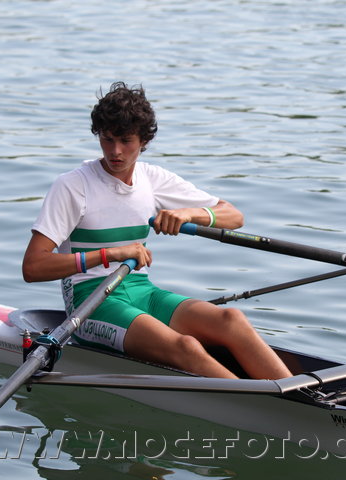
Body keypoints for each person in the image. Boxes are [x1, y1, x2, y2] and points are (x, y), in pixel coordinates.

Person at [22, 82, 291, 380]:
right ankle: (263, 411)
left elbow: (234, 216)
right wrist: (109, 254)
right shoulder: (73, 186)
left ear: (144, 140)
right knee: (186, 347)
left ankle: (300, 398)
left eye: (126, 141)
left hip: (142, 292)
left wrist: (189, 213)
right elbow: (33, 267)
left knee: (232, 319)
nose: (115, 151)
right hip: (90, 303)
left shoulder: (153, 179)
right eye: (107, 139)